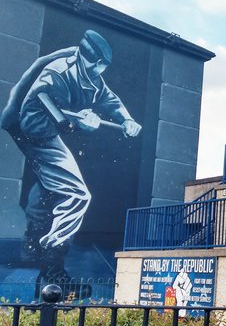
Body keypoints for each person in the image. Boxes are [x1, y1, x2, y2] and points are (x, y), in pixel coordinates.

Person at [0, 29, 142, 298]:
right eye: (96, 65)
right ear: (90, 59)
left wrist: (126, 119)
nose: (98, 71)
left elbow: (109, 98)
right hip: (30, 130)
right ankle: (52, 262)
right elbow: (33, 123)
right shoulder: (55, 76)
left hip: (43, 129)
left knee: (51, 186)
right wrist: (77, 123)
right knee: (78, 194)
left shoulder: (89, 74)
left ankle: (34, 247)